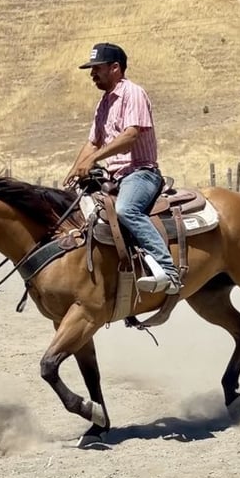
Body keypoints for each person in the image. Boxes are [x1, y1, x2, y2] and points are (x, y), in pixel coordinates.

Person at [64, 42, 181, 295]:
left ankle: (169, 270)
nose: (92, 74)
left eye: (97, 68)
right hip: (114, 177)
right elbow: (92, 142)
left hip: (140, 173)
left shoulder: (133, 93)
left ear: (115, 68)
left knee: (127, 209)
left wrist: (93, 159)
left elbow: (131, 135)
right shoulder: (103, 103)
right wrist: (76, 168)